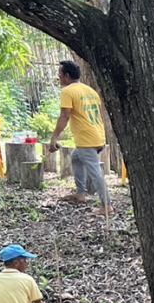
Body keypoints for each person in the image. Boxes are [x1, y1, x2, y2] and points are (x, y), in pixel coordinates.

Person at [46, 60, 110, 216]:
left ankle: (107, 206)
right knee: (76, 158)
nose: (59, 78)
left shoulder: (68, 91)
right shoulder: (90, 90)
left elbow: (64, 116)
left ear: (67, 76)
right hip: (97, 135)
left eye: (60, 75)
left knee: (95, 172)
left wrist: (54, 137)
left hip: (87, 139)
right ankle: (81, 194)